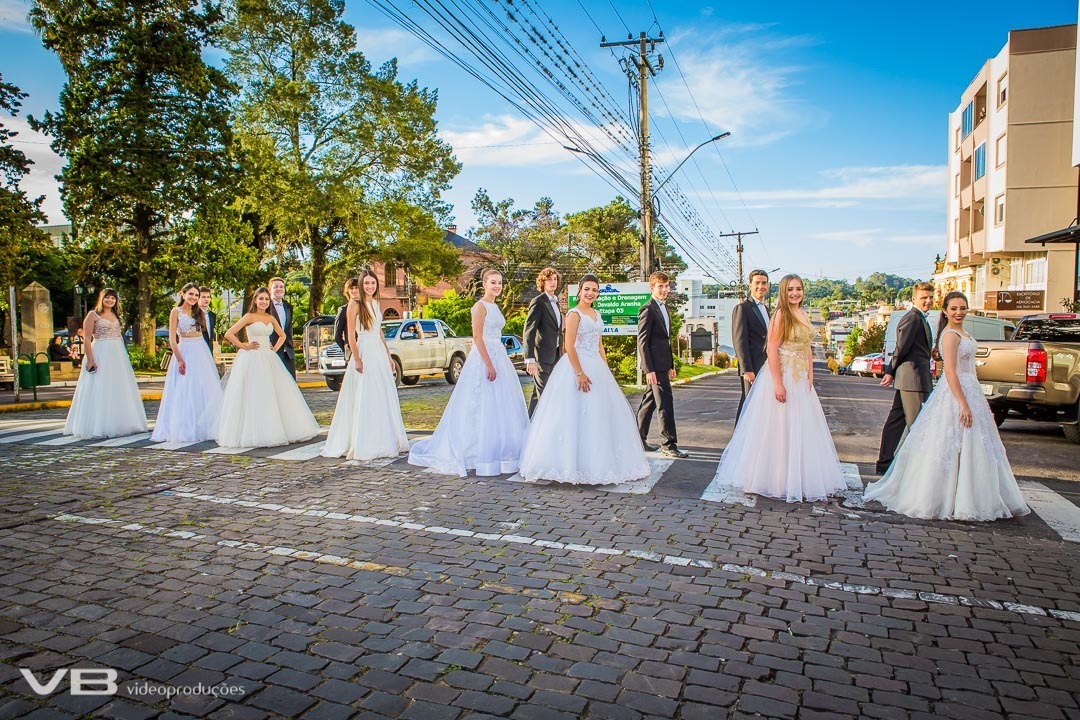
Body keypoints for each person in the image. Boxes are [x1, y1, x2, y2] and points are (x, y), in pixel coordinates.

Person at [864, 292, 1029, 520]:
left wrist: (974, 398)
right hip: (955, 393)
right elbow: (950, 372)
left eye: (962, 308)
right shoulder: (950, 335)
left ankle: (971, 493)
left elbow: (968, 368)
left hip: (971, 389)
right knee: (943, 439)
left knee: (974, 444)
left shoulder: (963, 333)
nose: (959, 312)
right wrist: (962, 403)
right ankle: (943, 494)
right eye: (954, 308)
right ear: (945, 311)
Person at [707, 274, 846, 502]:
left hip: (801, 377)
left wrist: (810, 374)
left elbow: (807, 348)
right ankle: (777, 478)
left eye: (798, 289)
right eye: (790, 289)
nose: (795, 293)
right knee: (779, 426)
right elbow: (772, 349)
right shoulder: (781, 315)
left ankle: (799, 476)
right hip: (783, 374)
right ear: (783, 291)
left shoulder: (803, 314)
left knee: (801, 426)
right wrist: (778, 383)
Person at [519, 274, 649, 485]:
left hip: (596, 366)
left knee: (599, 417)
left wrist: (606, 370)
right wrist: (579, 373)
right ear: (579, 291)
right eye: (587, 289)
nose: (590, 293)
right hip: (576, 366)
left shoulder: (597, 314)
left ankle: (597, 463)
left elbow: (600, 345)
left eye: (594, 290)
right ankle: (569, 463)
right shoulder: (574, 314)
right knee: (572, 416)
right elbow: (568, 346)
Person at [409, 268, 529, 476]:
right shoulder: (479, 306)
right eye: (493, 282)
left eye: (499, 282)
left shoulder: (495, 306)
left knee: (502, 403)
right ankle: (475, 449)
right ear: (484, 284)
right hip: (484, 357)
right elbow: (478, 337)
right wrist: (489, 364)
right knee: (481, 402)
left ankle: (500, 447)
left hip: (499, 355)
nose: (497, 286)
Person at [213, 287, 320, 448]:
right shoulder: (249, 316)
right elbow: (229, 333)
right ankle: (253, 431)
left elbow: (282, 335)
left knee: (273, 392)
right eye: (261, 298)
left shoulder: (270, 317)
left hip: (269, 357)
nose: (263, 302)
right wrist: (244, 346)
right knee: (254, 392)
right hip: (252, 358)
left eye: (266, 299)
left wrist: (274, 349)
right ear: (255, 300)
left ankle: (277, 428)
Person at [322, 271, 409, 460]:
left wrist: (388, 356)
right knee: (365, 393)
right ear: (361, 284)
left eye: (373, 283)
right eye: (366, 283)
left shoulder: (376, 304)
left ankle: (385, 436)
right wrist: (357, 359)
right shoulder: (354, 304)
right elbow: (350, 335)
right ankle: (364, 440)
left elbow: (379, 332)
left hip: (378, 352)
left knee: (382, 393)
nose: (370, 286)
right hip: (364, 350)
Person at [63, 289, 148, 439]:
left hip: (117, 353)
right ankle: (98, 424)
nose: (110, 300)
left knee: (118, 386)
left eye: (113, 298)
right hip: (100, 350)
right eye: (107, 297)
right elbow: (87, 338)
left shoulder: (116, 315)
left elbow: (119, 336)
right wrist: (90, 359)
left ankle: (122, 422)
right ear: (101, 299)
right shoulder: (93, 315)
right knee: (100, 385)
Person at [151, 283, 223, 443]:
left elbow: (204, 334)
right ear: (183, 294)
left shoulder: (199, 312)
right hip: (184, 349)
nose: (193, 297)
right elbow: (172, 338)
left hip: (200, 349)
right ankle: (184, 426)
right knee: (184, 388)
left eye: (196, 295)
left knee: (203, 387)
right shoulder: (175, 312)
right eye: (191, 294)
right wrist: (179, 358)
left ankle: (206, 426)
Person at [875, 282, 935, 474]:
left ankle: (885, 464)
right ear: (914, 299)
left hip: (912, 377)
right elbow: (901, 348)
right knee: (916, 424)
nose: (928, 301)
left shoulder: (920, 318)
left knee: (896, 421)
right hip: (912, 378)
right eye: (924, 298)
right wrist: (890, 371)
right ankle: (912, 469)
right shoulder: (912, 318)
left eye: (930, 297)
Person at [636, 271, 688, 458]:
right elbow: (642, 342)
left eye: (667, 286)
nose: (665, 290)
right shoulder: (647, 309)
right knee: (664, 404)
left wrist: (671, 364)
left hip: (664, 364)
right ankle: (668, 444)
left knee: (649, 402)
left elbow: (666, 340)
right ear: (652, 287)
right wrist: (649, 369)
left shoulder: (664, 308)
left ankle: (637, 440)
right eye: (660, 286)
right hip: (654, 366)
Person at [523, 267, 563, 417]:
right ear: (542, 282)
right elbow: (529, 330)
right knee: (546, 394)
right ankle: (546, 427)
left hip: (556, 355)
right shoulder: (538, 302)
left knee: (538, 394)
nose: (553, 282)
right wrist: (529, 358)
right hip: (541, 356)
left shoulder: (556, 302)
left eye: (555, 279)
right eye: (549, 279)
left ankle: (530, 424)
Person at [732, 269, 771, 423]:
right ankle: (739, 436)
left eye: (764, 283)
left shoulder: (766, 309)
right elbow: (739, 341)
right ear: (750, 285)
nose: (761, 286)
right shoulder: (743, 308)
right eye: (757, 283)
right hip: (752, 367)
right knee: (749, 403)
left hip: (766, 366)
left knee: (761, 405)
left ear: (768, 286)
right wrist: (746, 369)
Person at [267, 276, 296, 377]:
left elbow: (288, 328)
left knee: (291, 381)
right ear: (270, 290)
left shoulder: (288, 307)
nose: (279, 289)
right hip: (272, 350)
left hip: (288, 351)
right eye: (276, 287)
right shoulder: (266, 306)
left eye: (281, 287)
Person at [334, 278, 362, 353]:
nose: (354, 290)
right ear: (347, 291)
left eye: (356, 287)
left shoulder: (365, 308)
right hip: (351, 352)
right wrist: (347, 349)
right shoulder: (343, 310)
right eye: (351, 288)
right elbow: (337, 336)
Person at [199, 286, 216, 355]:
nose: (206, 299)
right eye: (203, 297)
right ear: (197, 298)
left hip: (209, 350)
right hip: (197, 349)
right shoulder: (192, 314)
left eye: (208, 297)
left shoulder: (212, 315)